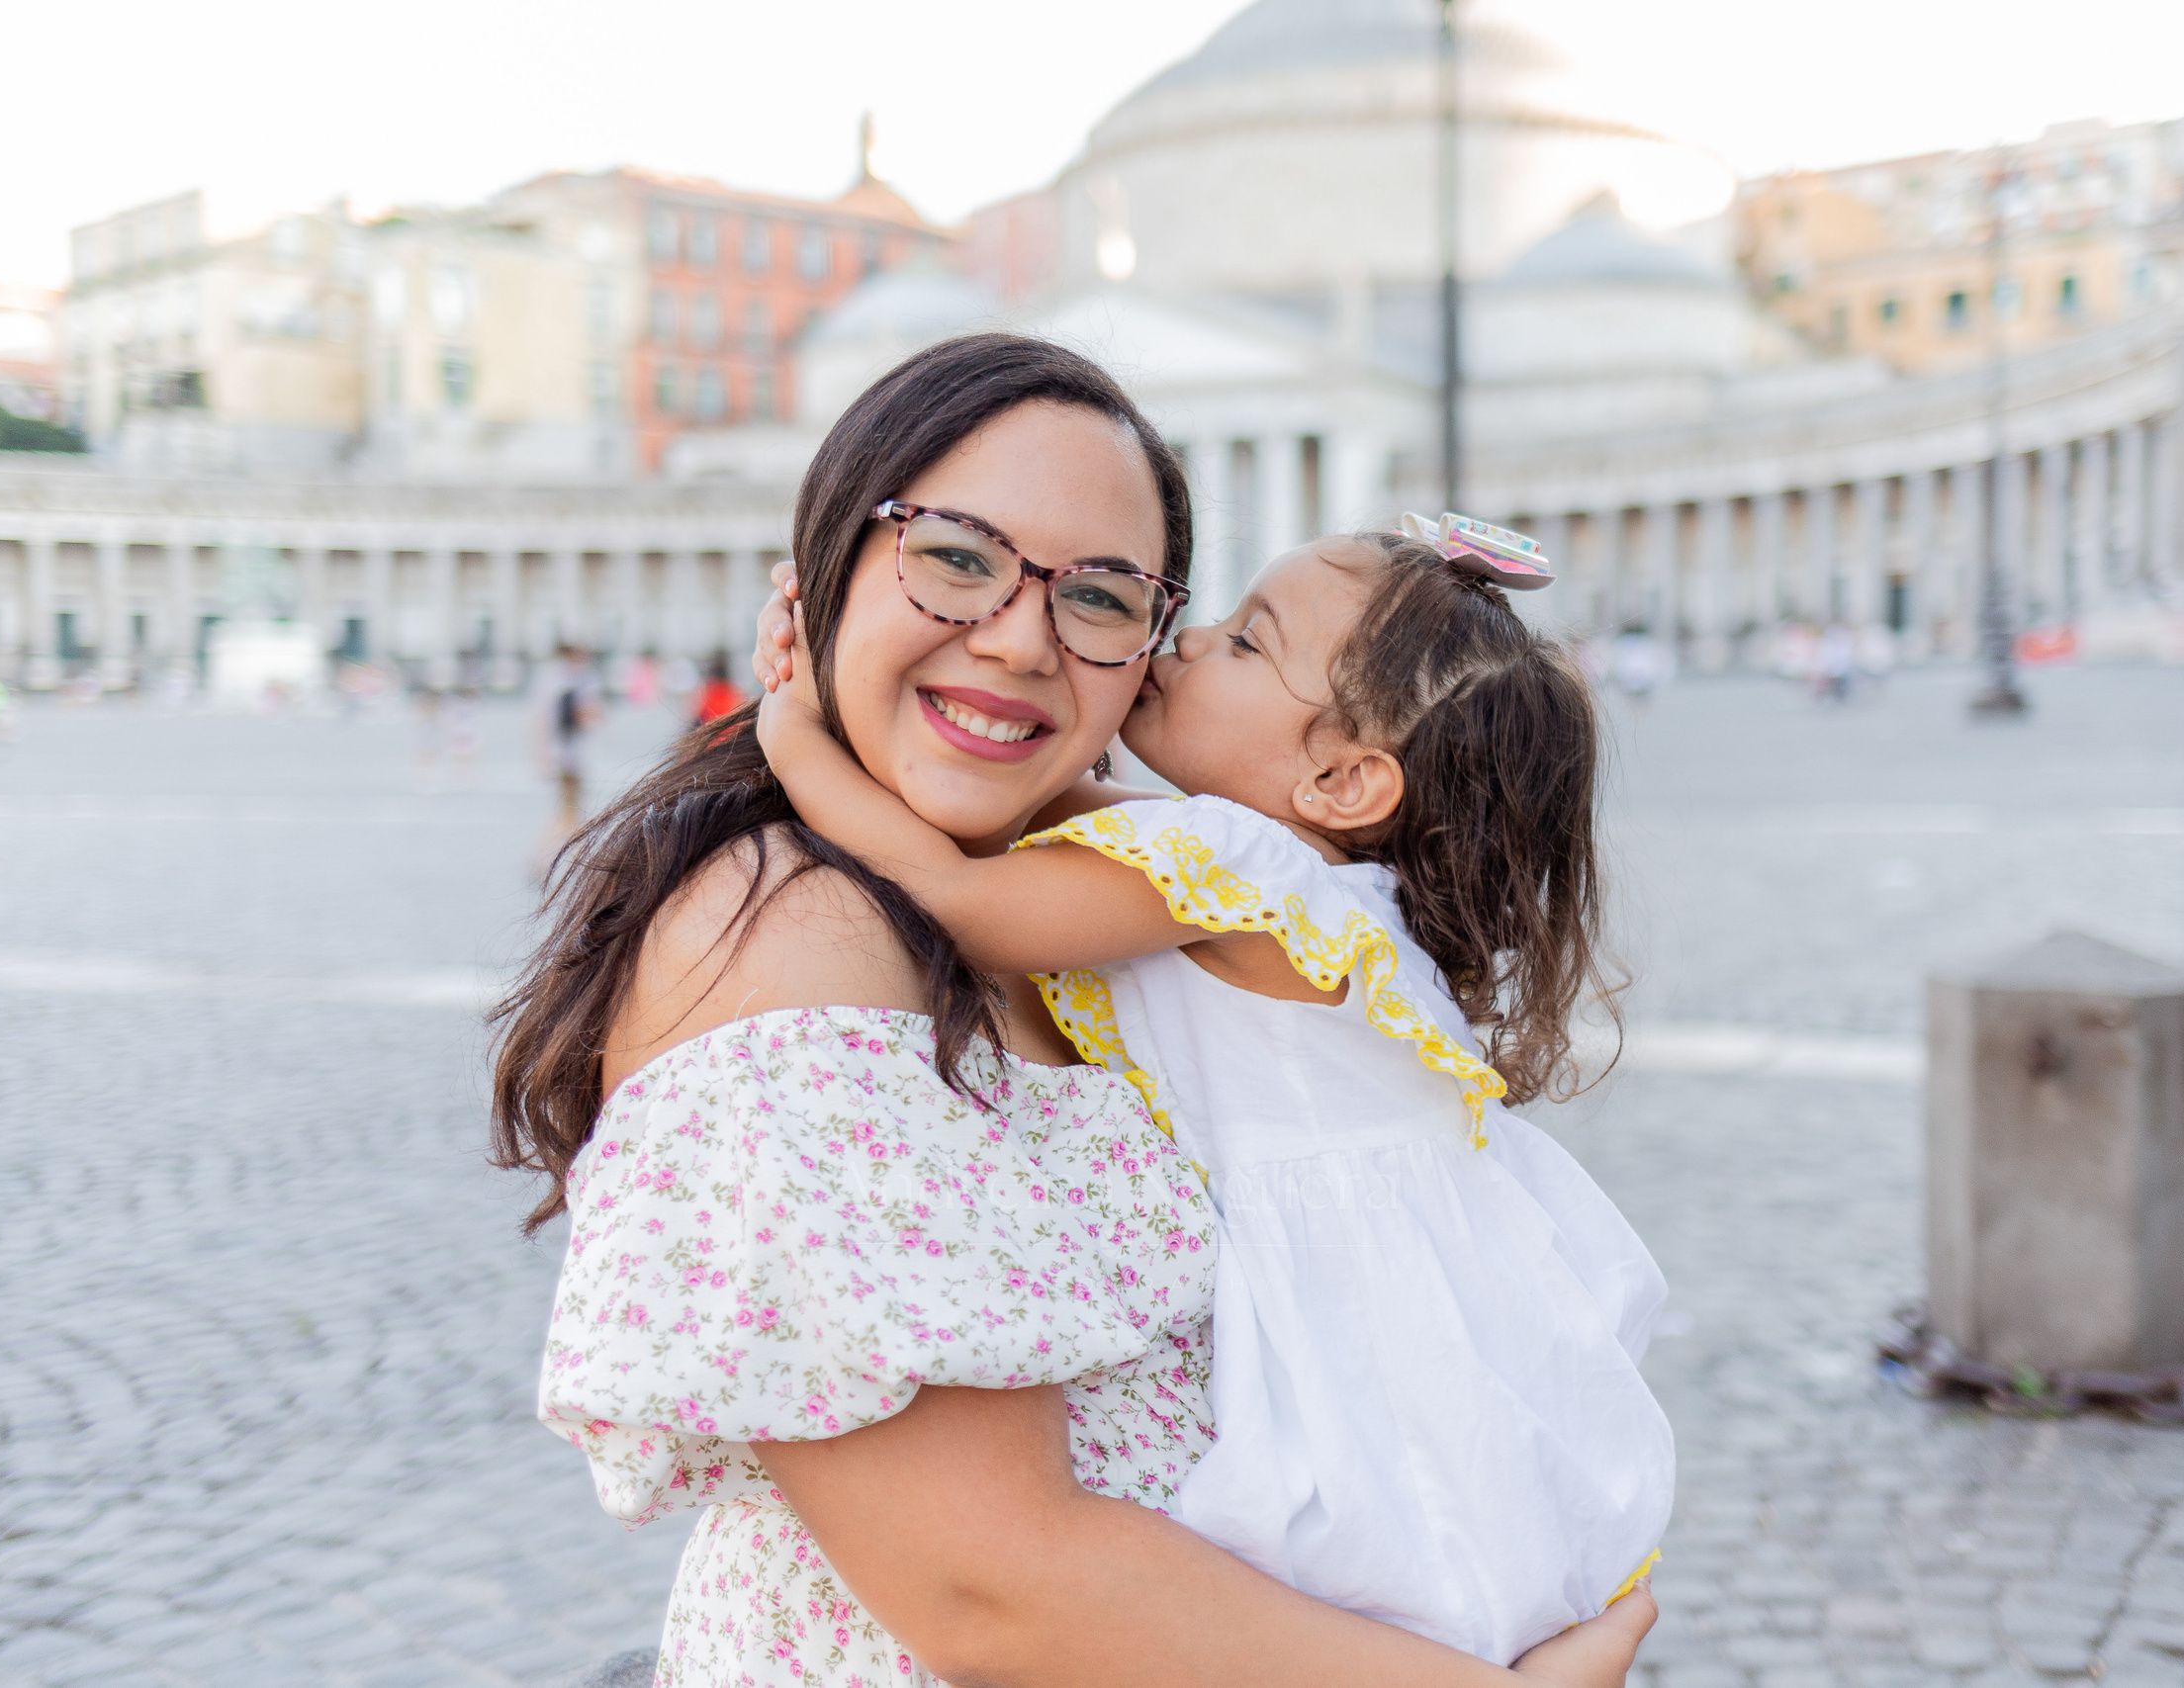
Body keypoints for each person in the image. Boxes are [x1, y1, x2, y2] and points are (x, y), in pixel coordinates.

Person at [493, 334, 1654, 1688]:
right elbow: (988, 1583)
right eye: (959, 555)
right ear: (819, 572)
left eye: (1101, 596)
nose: (1020, 636)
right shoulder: (803, 934)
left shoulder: (1100, 897)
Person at [755, 518, 1667, 1664]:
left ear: (1340, 779)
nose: (1185, 640)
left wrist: (794, 731)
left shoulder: (1245, 867)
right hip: (1413, 1289)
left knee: (1357, 1558)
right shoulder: (1302, 875)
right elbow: (1046, 816)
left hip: (1341, 1296)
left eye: (1244, 643)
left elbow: (961, 891)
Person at [528, 643, 601, 860]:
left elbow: (539, 721)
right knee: (570, 808)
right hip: (568, 754)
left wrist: (541, 754)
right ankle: (544, 857)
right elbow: (583, 713)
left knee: (570, 809)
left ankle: (552, 856)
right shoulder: (574, 682)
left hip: (561, 753)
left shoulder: (551, 679)